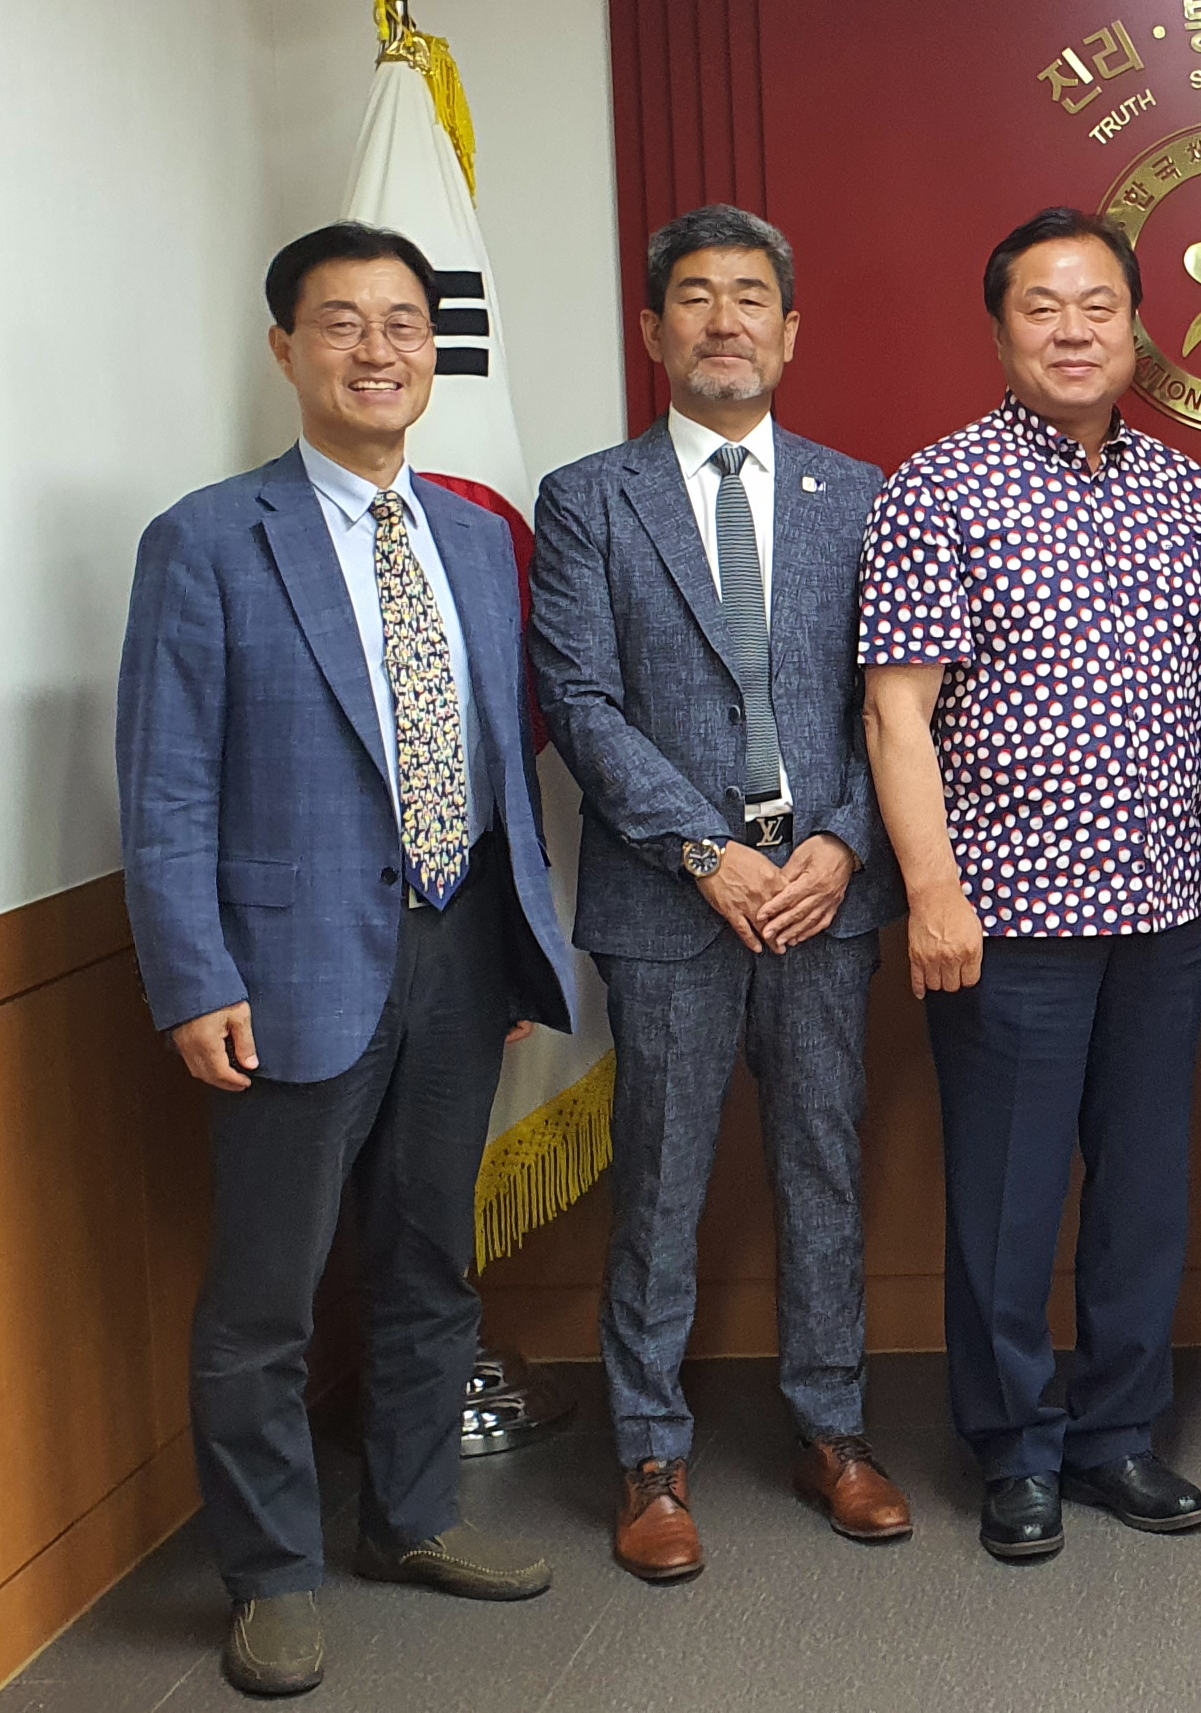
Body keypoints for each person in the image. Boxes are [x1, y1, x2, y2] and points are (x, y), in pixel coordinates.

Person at [116, 222, 577, 1698]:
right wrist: (191, 976)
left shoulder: (470, 535)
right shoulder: (207, 539)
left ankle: (412, 1514)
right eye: (341, 325)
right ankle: (269, 1575)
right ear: (285, 350)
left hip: (458, 959)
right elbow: (167, 780)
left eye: (402, 324)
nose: (377, 351)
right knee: (265, 1297)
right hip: (285, 975)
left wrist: (513, 954)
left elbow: (500, 761)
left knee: (431, 1261)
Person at [529, 204, 908, 1580]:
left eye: (752, 297)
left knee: (822, 1169)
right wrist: (707, 853)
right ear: (652, 331)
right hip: (672, 903)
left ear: (793, 331)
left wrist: (847, 845)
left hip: (824, 898)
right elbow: (578, 699)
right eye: (695, 297)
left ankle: (835, 1431)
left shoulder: (862, 498)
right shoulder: (590, 499)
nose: (725, 320)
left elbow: (900, 707)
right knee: (665, 1184)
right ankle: (650, 1453)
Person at [860, 208, 1201, 1562]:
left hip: (1161, 909)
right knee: (1011, 1198)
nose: (1072, 330)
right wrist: (933, 889)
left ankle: (1119, 1433)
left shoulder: (1186, 494)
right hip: (1004, 915)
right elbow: (899, 716)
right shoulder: (937, 486)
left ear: (1138, 325)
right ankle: (1016, 1447)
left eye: (1097, 305)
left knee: (1143, 1194)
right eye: (1040, 306)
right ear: (1000, 328)